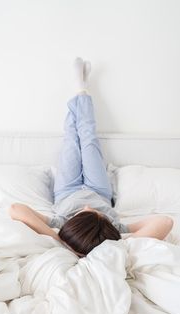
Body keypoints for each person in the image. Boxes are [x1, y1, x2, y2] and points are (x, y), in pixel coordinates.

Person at [9, 57, 173, 258]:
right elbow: (165, 222)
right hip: (99, 189)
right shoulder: (114, 228)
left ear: (73, 223)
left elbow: (16, 209)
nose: (87, 206)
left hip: (66, 191)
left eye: (82, 213)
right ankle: (81, 89)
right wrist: (118, 241)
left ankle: (78, 90)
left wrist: (59, 238)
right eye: (95, 213)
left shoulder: (61, 224)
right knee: (88, 140)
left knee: (71, 138)